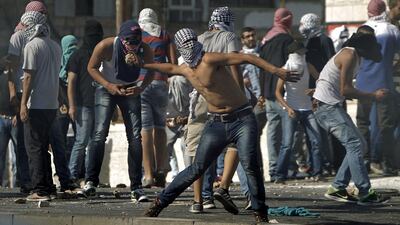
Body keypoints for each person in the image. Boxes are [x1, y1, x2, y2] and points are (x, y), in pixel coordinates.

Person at [142, 28, 299, 223]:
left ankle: (260, 212)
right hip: (216, 123)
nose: (191, 48)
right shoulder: (184, 68)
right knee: (196, 168)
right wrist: (143, 64)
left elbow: (245, 58)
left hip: (242, 119)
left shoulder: (209, 59)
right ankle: (159, 203)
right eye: (186, 45)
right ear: (181, 48)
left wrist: (276, 71)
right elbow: (167, 68)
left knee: (250, 164)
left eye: (192, 42)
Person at [313, 25, 388, 205]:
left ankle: (338, 187)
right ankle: (365, 192)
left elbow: (329, 78)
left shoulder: (355, 56)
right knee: (355, 144)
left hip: (329, 106)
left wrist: (317, 90)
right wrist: (373, 96)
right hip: (327, 108)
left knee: (359, 145)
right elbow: (345, 89)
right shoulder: (349, 54)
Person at [84, 20, 154, 202]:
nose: (132, 46)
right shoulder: (105, 46)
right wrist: (108, 85)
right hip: (107, 88)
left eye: (136, 42)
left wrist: (141, 87)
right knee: (99, 133)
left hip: (130, 88)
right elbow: (90, 68)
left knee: (135, 137)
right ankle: (90, 181)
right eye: (129, 42)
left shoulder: (144, 49)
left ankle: (137, 186)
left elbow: (153, 71)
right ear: (121, 39)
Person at [5, 0, 48, 194]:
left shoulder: (44, 35)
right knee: (24, 141)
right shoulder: (18, 37)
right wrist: (14, 94)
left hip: (37, 90)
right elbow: (11, 68)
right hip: (24, 90)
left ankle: (39, 181)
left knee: (37, 141)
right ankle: (26, 181)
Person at [19, 11, 61, 201]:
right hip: (51, 104)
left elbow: (28, 77)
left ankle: (39, 190)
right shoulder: (54, 45)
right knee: (43, 146)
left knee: (33, 146)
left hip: (36, 103)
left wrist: (23, 104)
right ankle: (48, 186)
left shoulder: (32, 46)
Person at [356, 0, 400, 176]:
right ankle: (384, 163)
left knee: (362, 124)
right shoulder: (392, 30)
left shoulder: (362, 29)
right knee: (386, 126)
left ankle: (365, 161)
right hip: (384, 84)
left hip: (362, 85)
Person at [138, 8, 177, 188]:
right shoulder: (164, 34)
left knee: (146, 130)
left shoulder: (137, 34)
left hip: (141, 83)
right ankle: (161, 168)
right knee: (160, 127)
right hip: (161, 83)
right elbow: (173, 63)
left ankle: (147, 174)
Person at [274, 41, 322, 183]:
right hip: (292, 108)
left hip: (307, 108)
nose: (304, 54)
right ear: (294, 53)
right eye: (301, 52)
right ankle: (279, 175)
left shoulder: (308, 66)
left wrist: (315, 93)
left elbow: (321, 80)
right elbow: (277, 92)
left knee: (316, 141)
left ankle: (317, 172)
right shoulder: (285, 68)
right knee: (287, 144)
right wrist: (288, 108)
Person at [67, 20, 104, 186]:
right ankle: (72, 175)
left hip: (100, 104)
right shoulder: (79, 55)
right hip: (83, 104)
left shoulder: (103, 54)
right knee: (82, 141)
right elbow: (71, 82)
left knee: (93, 143)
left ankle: (89, 177)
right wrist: (72, 105)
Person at [259, 8, 294, 181]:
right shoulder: (287, 40)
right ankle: (282, 170)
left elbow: (261, 68)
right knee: (288, 135)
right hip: (284, 94)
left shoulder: (266, 39)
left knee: (272, 132)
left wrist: (262, 93)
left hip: (268, 93)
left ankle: (273, 169)